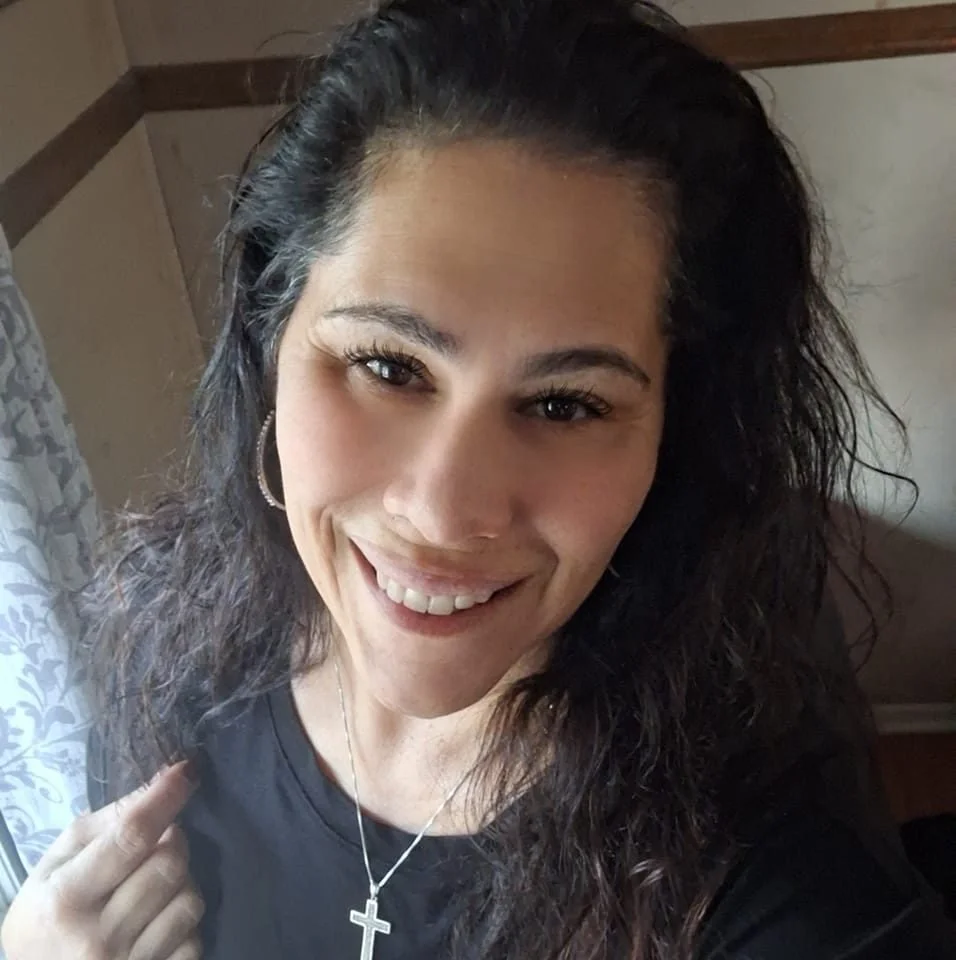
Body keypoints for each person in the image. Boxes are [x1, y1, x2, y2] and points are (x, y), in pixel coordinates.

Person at [3, 1, 955, 958]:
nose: (444, 510)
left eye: (565, 405)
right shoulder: (175, 663)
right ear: (268, 344)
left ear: (679, 434)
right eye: (389, 366)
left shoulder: (771, 881)